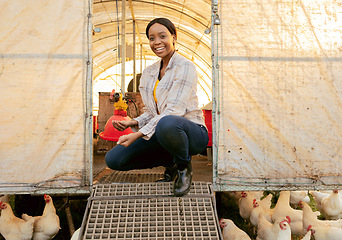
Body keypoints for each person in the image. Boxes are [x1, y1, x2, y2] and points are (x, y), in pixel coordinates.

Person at [105, 18, 209, 197]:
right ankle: (172, 163)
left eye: (162, 36)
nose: (157, 42)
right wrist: (133, 121)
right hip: (163, 131)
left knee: (168, 124)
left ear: (174, 37)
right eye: (152, 38)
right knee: (114, 159)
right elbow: (152, 112)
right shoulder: (149, 73)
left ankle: (184, 167)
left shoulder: (185, 67)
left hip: (192, 133)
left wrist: (137, 134)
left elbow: (173, 111)